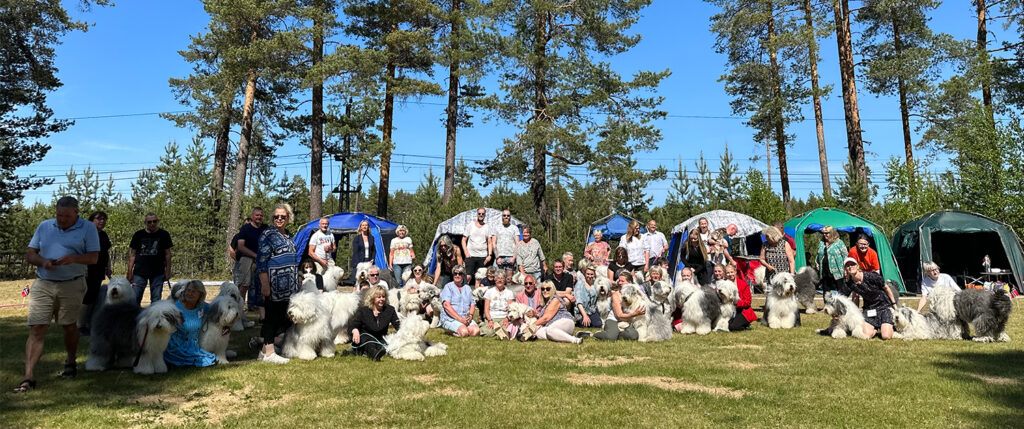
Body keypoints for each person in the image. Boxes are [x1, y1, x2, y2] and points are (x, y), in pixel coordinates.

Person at [15, 197, 99, 393]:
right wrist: (43, 262)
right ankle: (28, 377)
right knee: (37, 327)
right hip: (43, 283)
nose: (61, 220)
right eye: (59, 215)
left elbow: (93, 257)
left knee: (69, 326)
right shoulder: (45, 226)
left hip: (72, 284)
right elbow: (30, 254)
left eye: (67, 217)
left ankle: (70, 361)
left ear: (76, 213)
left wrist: (74, 258)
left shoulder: (88, 228)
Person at [255, 203, 300, 364]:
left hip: (289, 287)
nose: (279, 219)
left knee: (283, 318)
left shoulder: (289, 235)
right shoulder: (268, 235)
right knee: (271, 318)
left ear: (288, 218)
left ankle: (264, 351)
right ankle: (269, 353)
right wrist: (264, 284)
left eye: (282, 216)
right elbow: (261, 262)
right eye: (276, 216)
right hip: (273, 285)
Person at [164, 281, 218, 367]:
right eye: (188, 290)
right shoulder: (176, 309)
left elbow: (217, 311)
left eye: (193, 291)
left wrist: (226, 327)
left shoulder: (202, 306)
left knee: (210, 359)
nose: (190, 293)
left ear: (200, 295)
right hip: (176, 346)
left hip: (193, 346)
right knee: (205, 360)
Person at [843, 258, 897, 340]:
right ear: (846, 269)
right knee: (866, 335)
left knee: (886, 336)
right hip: (869, 309)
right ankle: (876, 327)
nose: (850, 267)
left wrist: (894, 305)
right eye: (848, 265)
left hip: (884, 307)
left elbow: (886, 288)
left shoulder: (872, 276)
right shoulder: (849, 283)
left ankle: (888, 326)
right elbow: (846, 296)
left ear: (857, 266)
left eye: (852, 264)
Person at [127, 212, 173, 305]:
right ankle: (134, 318)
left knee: (156, 300)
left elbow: (168, 254)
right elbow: (132, 255)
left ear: (158, 221)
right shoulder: (138, 235)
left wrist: (168, 271)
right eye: (149, 222)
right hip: (139, 272)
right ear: (145, 223)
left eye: (154, 221)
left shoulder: (164, 234)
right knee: (135, 298)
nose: (152, 224)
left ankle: (153, 319)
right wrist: (129, 272)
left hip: (158, 272)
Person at [344, 285, 400, 361]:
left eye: (383, 297)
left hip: (380, 339)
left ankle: (369, 352)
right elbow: (353, 324)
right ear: (372, 298)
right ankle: (374, 355)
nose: (381, 299)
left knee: (383, 345)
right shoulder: (363, 311)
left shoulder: (390, 310)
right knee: (368, 341)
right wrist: (355, 330)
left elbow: (398, 326)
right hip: (364, 338)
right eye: (378, 297)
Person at [80, 210, 112, 335]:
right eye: (98, 219)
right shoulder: (86, 234)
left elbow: (106, 253)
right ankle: (80, 325)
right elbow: (82, 252)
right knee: (85, 298)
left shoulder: (104, 235)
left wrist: (108, 267)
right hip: (87, 270)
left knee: (94, 298)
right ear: (91, 220)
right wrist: (84, 268)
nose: (102, 221)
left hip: (99, 271)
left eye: (104, 219)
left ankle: (90, 323)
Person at [588, 270, 643, 341]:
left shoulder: (635, 293)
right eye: (619, 281)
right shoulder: (616, 295)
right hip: (614, 320)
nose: (619, 283)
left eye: (622, 281)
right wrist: (635, 314)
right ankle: (593, 334)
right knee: (610, 338)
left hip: (627, 321)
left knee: (633, 336)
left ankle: (616, 333)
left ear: (630, 282)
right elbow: (619, 316)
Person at [234, 207, 267, 324]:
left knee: (262, 286)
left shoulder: (265, 228)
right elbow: (241, 246)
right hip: (246, 259)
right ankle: (238, 316)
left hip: (262, 261)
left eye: (261, 215)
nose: (259, 217)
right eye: (257, 215)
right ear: (252, 216)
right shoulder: (245, 228)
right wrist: (255, 255)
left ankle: (263, 316)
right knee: (243, 287)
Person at [440, 265, 480, 337]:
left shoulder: (467, 288)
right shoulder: (448, 287)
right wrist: (459, 319)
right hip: (450, 318)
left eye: (460, 274)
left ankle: (462, 328)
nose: (457, 275)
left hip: (465, 318)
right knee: (464, 332)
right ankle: (451, 331)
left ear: (463, 275)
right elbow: (446, 305)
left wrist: (470, 315)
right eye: (455, 273)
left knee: (475, 331)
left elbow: (472, 304)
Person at [463, 208, 494, 286]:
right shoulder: (470, 225)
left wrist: (489, 255)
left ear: (485, 215)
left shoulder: (487, 227)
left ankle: (478, 295)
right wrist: (466, 252)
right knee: (468, 276)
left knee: (480, 278)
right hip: (470, 255)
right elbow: (463, 240)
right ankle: (465, 293)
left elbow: (489, 242)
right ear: (477, 214)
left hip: (482, 256)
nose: (481, 215)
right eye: (479, 213)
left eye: (482, 214)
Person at [480, 272, 516, 337]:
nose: (500, 280)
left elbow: (510, 309)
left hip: (503, 318)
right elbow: (486, 309)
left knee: (506, 330)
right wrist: (490, 320)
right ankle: (496, 331)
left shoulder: (509, 292)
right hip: (492, 317)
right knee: (487, 333)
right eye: (498, 278)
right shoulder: (489, 292)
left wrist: (507, 319)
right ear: (495, 280)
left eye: (502, 278)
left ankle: (498, 331)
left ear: (504, 280)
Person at [816, 226, 848, 296]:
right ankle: (828, 306)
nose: (825, 235)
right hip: (824, 270)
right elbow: (818, 254)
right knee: (826, 290)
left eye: (827, 233)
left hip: (837, 271)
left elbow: (845, 256)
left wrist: (846, 269)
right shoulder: (821, 243)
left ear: (832, 233)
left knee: (841, 291)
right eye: (823, 233)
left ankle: (841, 305)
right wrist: (817, 263)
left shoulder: (839, 242)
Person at [726, 264, 757, 331]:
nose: (730, 274)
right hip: (729, 310)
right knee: (726, 325)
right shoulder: (725, 284)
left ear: (735, 272)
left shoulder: (744, 284)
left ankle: (745, 326)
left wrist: (737, 303)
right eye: (728, 273)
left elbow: (748, 302)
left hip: (743, 311)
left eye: (731, 272)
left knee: (733, 327)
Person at [493, 209, 520, 279]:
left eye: (508, 215)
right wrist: (497, 257)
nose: (506, 217)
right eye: (504, 215)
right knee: (498, 279)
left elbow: (517, 243)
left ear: (510, 217)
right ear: (502, 216)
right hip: (499, 257)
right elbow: (494, 243)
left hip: (510, 257)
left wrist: (514, 257)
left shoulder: (515, 228)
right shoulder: (496, 228)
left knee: (509, 279)